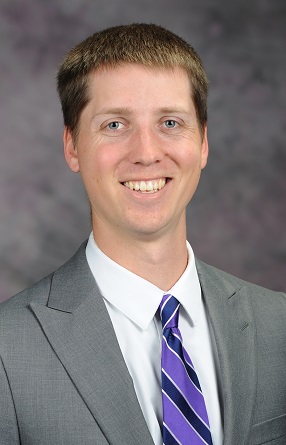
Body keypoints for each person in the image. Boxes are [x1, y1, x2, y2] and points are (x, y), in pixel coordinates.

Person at [0, 23, 285, 445]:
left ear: (203, 143)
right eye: (115, 125)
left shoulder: (278, 325)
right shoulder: (8, 350)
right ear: (73, 146)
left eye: (170, 122)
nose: (147, 152)